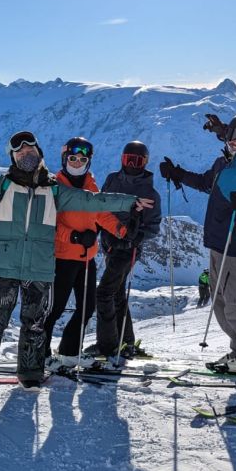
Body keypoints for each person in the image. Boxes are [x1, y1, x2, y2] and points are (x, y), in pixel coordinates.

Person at [0, 131, 154, 400]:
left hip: (39, 267)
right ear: (12, 157)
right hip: (6, 266)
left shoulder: (54, 190)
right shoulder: (1, 186)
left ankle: (30, 375)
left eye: (31, 150)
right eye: (20, 152)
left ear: (40, 154)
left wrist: (129, 204)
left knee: (35, 325)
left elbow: (92, 201)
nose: (26, 154)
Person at [159, 114, 236, 373]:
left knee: (235, 303)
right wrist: (177, 173)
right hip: (218, 242)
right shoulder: (224, 163)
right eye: (232, 135)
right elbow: (204, 183)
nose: (235, 141)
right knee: (221, 303)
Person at [42, 137, 129, 371]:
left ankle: (70, 352)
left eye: (83, 159)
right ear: (64, 158)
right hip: (61, 257)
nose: (77, 162)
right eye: (73, 158)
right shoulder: (54, 186)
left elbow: (100, 212)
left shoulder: (91, 185)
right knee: (55, 308)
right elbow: (48, 223)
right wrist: (75, 237)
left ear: (89, 161)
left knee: (86, 307)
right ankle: (40, 353)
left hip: (85, 258)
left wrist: (121, 230)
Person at [90, 140, 162, 361]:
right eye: (128, 159)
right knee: (117, 294)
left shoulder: (149, 192)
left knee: (103, 294)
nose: (131, 164)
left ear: (145, 163)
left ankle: (108, 346)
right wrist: (98, 231)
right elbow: (101, 207)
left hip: (128, 249)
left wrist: (135, 239)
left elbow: (153, 227)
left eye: (137, 161)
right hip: (110, 245)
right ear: (122, 159)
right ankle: (125, 341)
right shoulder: (112, 179)